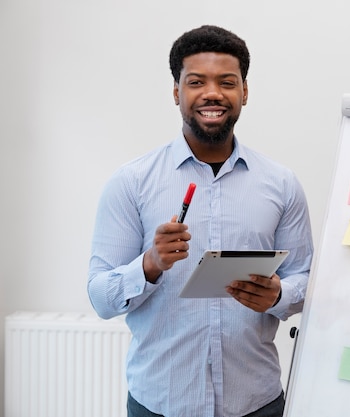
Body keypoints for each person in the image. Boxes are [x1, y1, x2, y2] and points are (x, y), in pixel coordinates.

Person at [88, 25, 314, 417]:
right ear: (177, 92)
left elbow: (308, 280)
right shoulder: (131, 182)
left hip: (256, 404)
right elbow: (100, 297)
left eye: (227, 82)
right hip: (160, 404)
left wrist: (279, 295)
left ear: (244, 92)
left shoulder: (282, 184)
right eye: (196, 82)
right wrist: (149, 264)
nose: (212, 93)